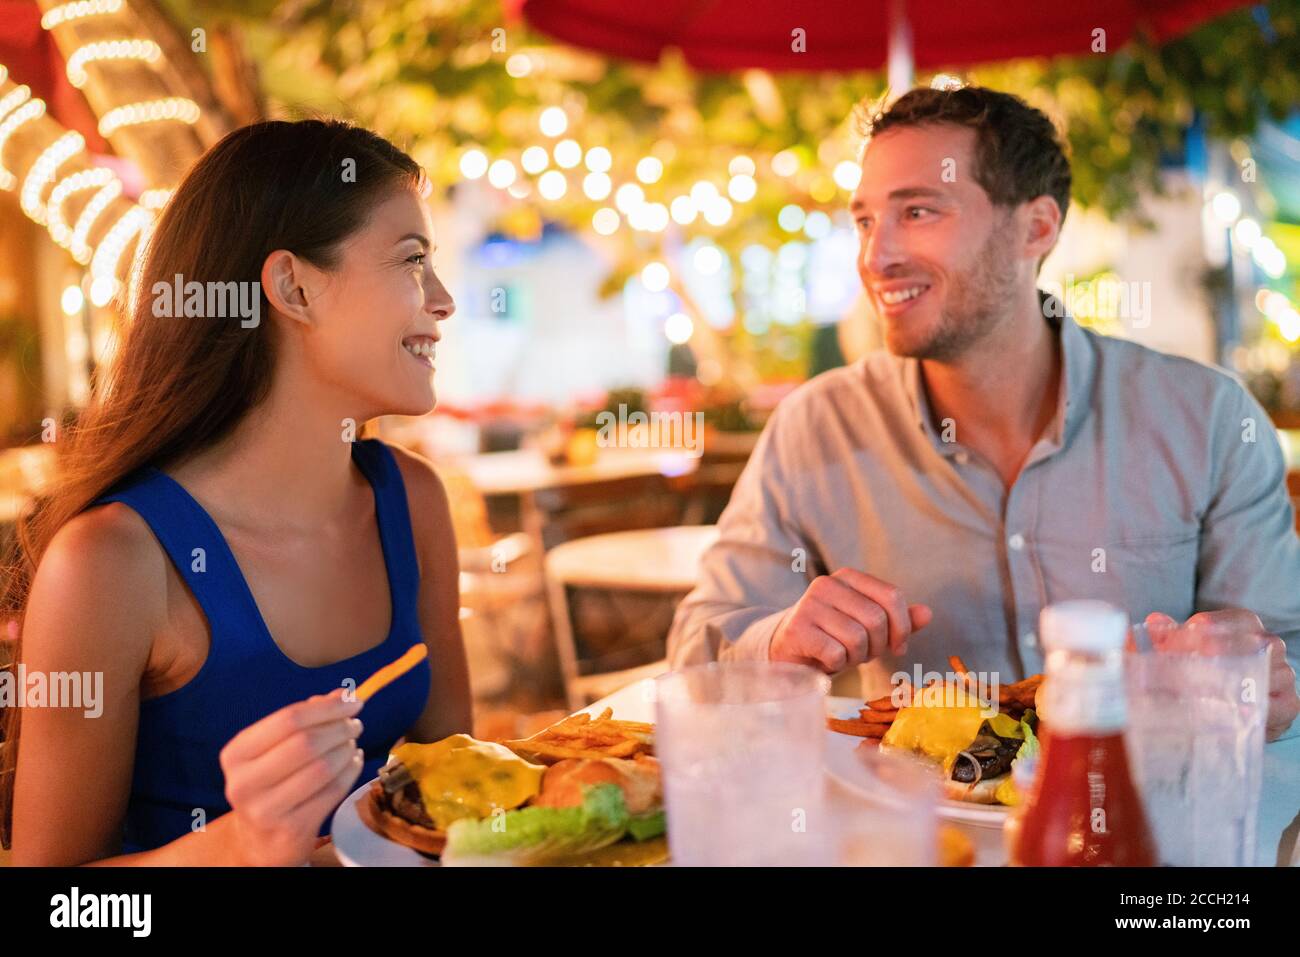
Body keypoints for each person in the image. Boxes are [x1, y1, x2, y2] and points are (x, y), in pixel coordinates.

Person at [666, 86, 1299, 741]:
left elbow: (1285, 649)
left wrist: (1269, 682)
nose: (875, 257)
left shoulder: (1209, 419)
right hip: (925, 836)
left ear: (1036, 227)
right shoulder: (816, 427)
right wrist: (778, 642)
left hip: (1145, 827)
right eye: (864, 221)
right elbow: (697, 646)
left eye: (918, 211)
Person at [2, 119, 471, 865]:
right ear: (292, 286)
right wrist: (239, 845)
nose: (442, 301)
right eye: (412, 260)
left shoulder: (413, 502)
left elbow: (461, 799)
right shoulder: (111, 563)